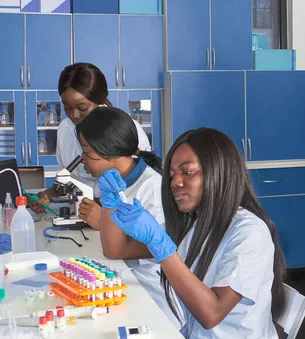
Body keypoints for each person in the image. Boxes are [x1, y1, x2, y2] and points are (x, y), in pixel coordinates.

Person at [107, 128, 286, 338]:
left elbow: (212, 313)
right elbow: (116, 249)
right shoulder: (194, 224)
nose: (175, 182)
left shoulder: (248, 232)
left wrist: (160, 245)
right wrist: (110, 203)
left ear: (219, 170)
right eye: (172, 175)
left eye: (188, 172)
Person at [77, 106, 179, 326]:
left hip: (151, 291)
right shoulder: (110, 182)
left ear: (108, 152)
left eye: (87, 152)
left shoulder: (150, 187)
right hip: (125, 280)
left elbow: (155, 247)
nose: (82, 159)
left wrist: (105, 224)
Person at [30, 63, 150, 228]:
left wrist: (105, 216)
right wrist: (49, 194)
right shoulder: (65, 130)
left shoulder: (126, 131)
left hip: (122, 224)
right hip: (84, 216)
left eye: (82, 108)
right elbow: (69, 179)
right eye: (67, 108)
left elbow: (142, 189)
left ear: (99, 100)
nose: (74, 115)